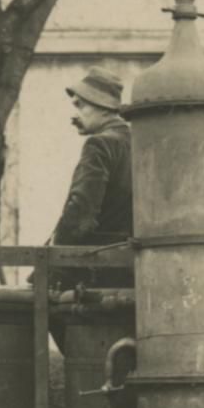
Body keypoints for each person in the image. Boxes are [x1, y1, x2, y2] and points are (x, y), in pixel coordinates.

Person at [52, 66, 134, 288]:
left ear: (104, 108)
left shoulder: (99, 144)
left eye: (81, 105)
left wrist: (53, 254)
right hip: (132, 269)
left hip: (95, 271)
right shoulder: (139, 142)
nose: (75, 114)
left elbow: (81, 213)